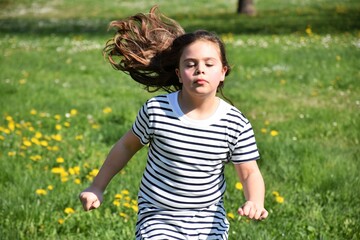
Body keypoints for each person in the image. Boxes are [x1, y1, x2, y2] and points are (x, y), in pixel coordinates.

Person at [79, 6, 268, 239]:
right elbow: (126, 146)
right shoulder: (157, 111)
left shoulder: (235, 123)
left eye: (209, 64)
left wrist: (255, 201)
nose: (200, 70)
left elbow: (249, 172)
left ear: (222, 73)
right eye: (190, 64)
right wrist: (97, 187)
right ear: (179, 73)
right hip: (158, 216)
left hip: (208, 220)